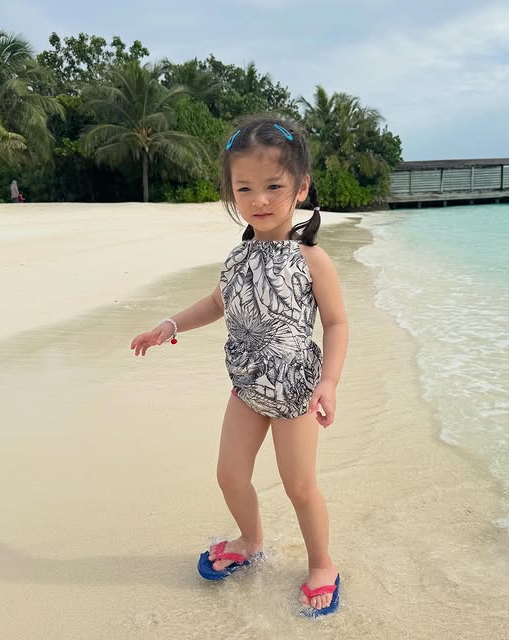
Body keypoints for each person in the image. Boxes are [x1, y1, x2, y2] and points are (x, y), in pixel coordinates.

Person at [130, 116, 348, 617]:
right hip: (246, 387)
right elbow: (217, 303)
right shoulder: (237, 258)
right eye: (244, 188)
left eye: (273, 186)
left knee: (299, 486)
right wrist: (170, 324)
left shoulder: (311, 259)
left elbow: (336, 323)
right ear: (231, 191)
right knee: (229, 475)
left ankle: (322, 564)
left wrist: (330, 382)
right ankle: (250, 541)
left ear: (301, 187)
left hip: (295, 392)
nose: (259, 200)